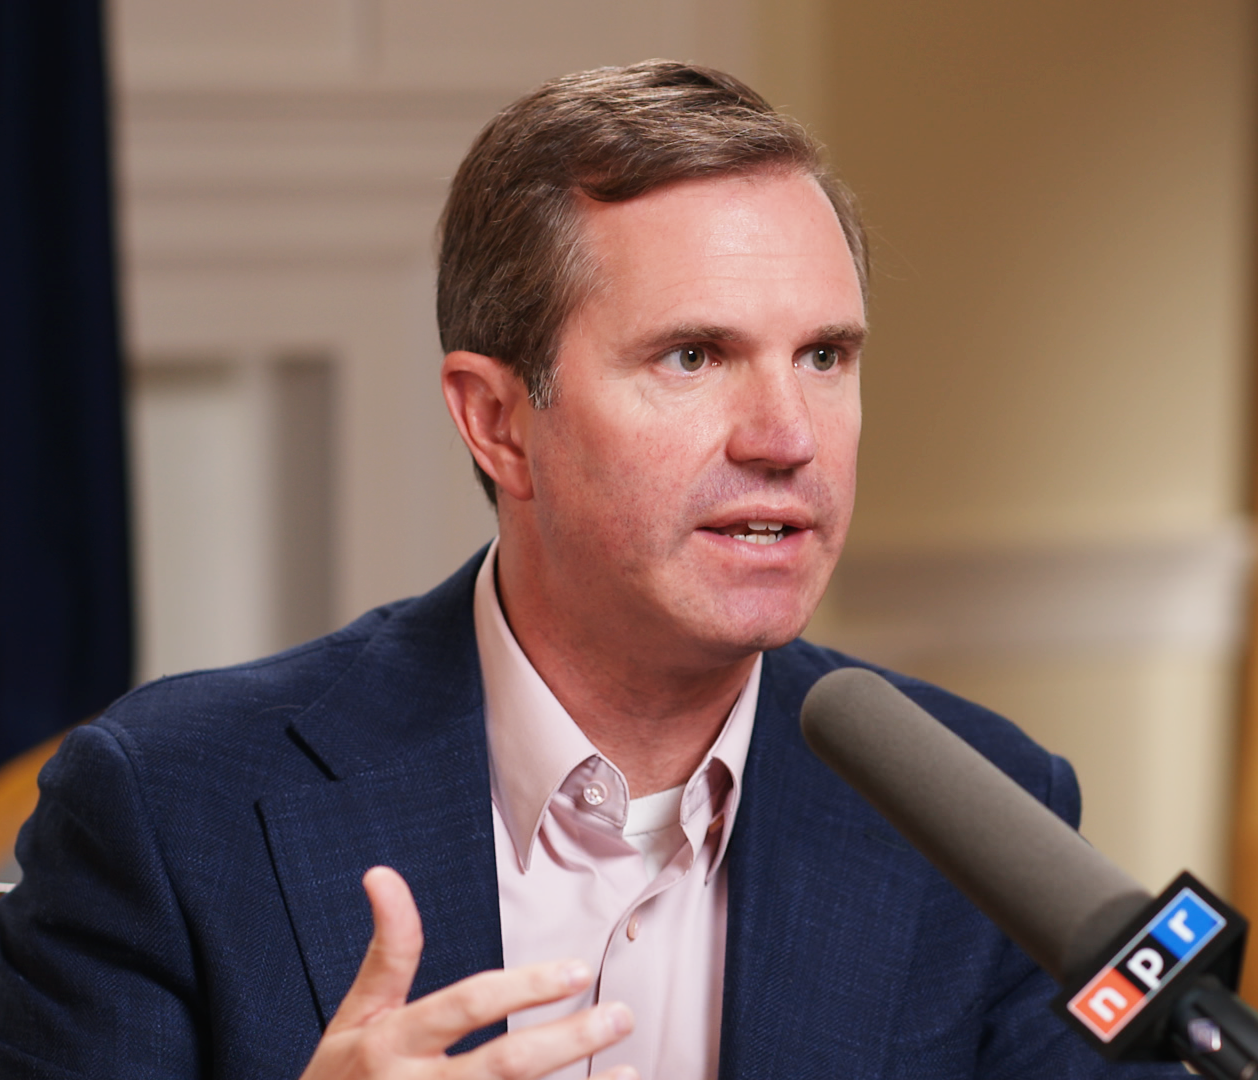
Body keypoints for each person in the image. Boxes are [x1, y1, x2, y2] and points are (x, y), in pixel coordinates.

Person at [0, 62, 1186, 1080]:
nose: (788, 437)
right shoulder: (167, 809)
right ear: (498, 422)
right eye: (693, 356)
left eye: (824, 355)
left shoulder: (991, 818)